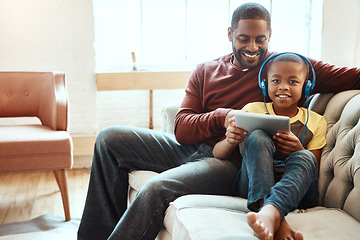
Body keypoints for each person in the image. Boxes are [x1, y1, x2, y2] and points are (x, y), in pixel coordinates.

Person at [78, 3, 360, 240]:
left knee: (157, 188)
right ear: (230, 34)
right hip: (199, 147)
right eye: (244, 39)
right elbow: (182, 128)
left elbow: (351, 75)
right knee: (109, 138)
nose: (252, 47)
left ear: (269, 35)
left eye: (260, 39)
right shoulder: (206, 70)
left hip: (229, 161)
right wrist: (223, 116)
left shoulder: (283, 68)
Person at [213, 52, 327, 240]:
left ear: (306, 88)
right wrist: (229, 139)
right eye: (276, 81)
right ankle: (273, 215)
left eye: (293, 82)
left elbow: (314, 166)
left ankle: (270, 213)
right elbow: (218, 154)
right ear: (265, 85)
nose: (283, 87)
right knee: (257, 136)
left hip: (297, 191)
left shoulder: (316, 121)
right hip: (253, 186)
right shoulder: (251, 110)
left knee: (305, 156)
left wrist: (298, 149)